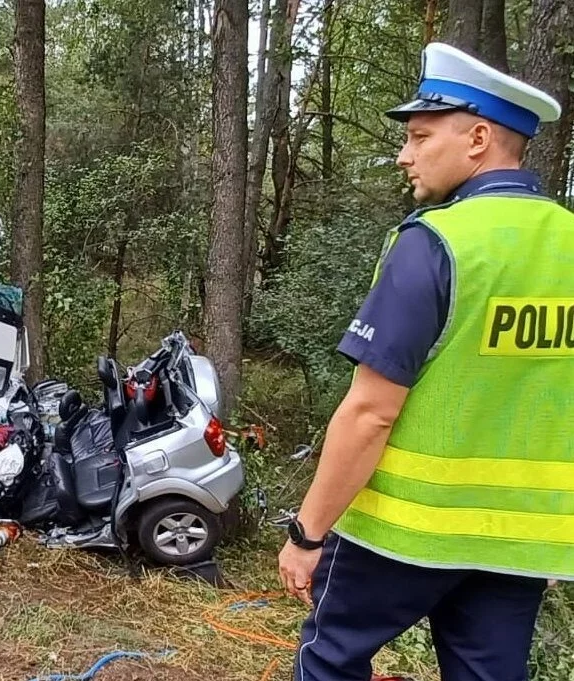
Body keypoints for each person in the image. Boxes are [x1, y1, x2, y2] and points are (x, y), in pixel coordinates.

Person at [277, 41, 574, 681]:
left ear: (478, 139)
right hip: (514, 543)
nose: (404, 154)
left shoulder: (435, 242)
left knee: (331, 662)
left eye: (418, 136)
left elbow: (370, 414)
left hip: (399, 535)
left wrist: (307, 535)